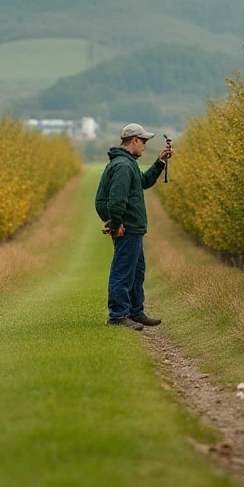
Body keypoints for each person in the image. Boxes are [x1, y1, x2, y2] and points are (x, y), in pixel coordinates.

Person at [95, 122, 173, 331]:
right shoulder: (122, 165)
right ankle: (118, 316)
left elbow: (144, 182)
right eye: (144, 141)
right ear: (135, 140)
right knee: (123, 271)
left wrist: (159, 163)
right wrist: (116, 223)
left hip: (133, 228)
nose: (145, 145)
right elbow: (116, 199)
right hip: (127, 227)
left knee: (137, 272)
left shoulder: (129, 164)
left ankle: (136, 312)